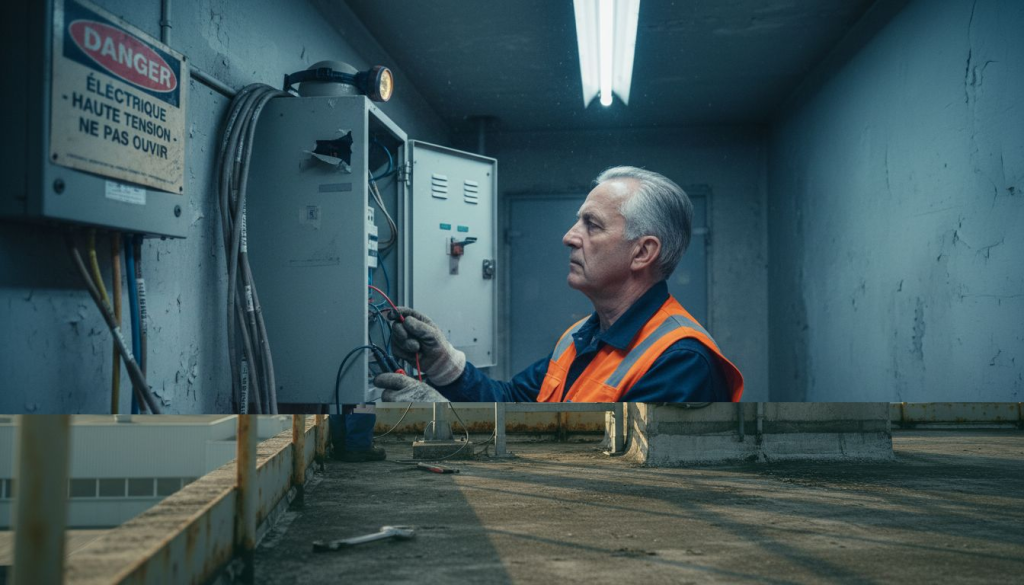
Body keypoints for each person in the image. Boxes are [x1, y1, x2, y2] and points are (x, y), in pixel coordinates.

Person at [376, 166, 744, 403]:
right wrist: (443, 363)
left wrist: (447, 423)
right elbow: (512, 408)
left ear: (642, 252)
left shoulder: (679, 360)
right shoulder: (580, 338)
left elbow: (611, 482)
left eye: (592, 225)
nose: (569, 237)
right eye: (577, 222)